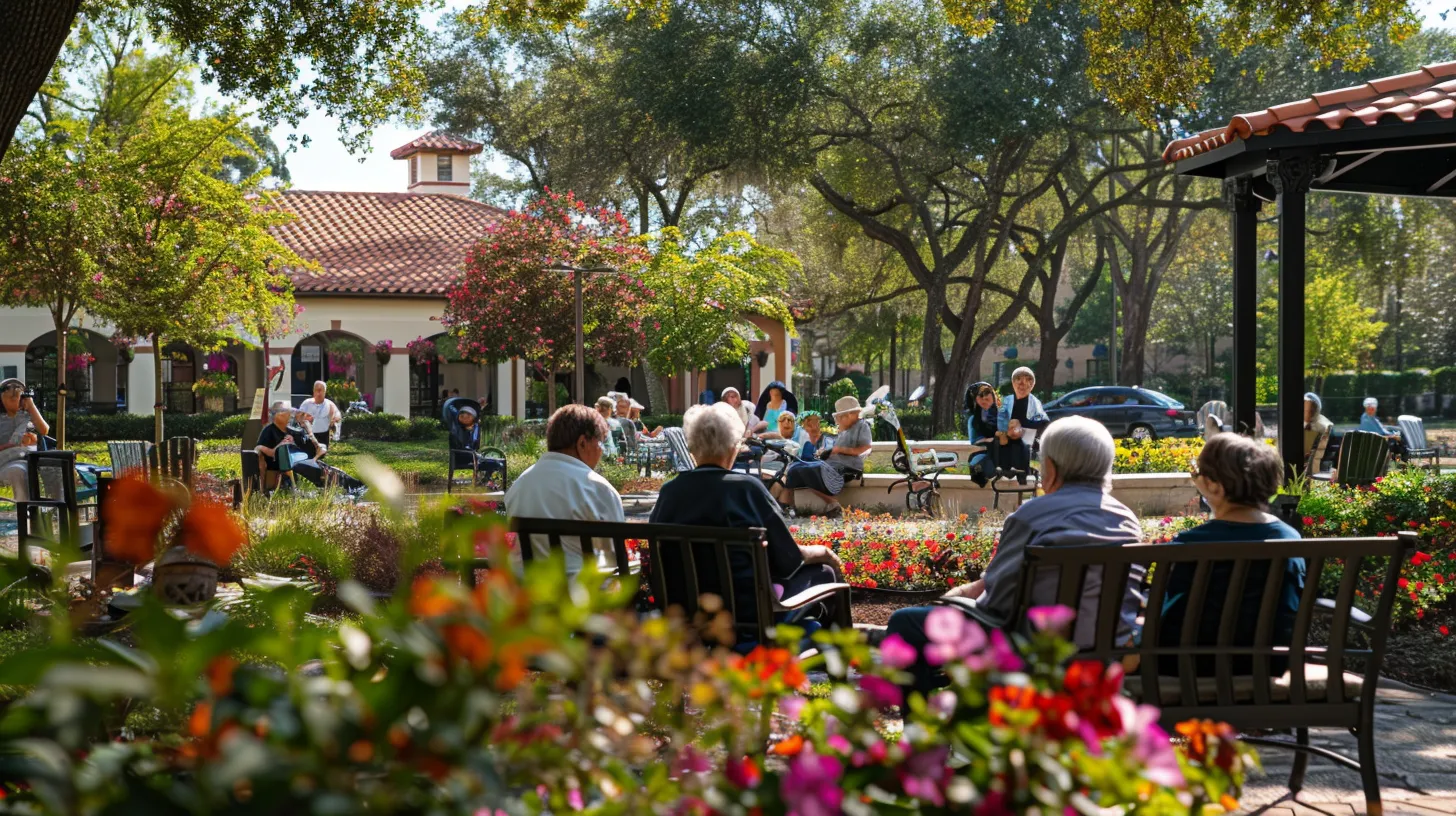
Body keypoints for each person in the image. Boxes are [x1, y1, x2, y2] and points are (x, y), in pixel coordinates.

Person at [884, 416, 1144, 693]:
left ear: (1052, 470)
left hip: (1028, 654)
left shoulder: (1033, 516)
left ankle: (922, 731)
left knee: (905, 622)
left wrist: (955, 600)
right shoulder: (1127, 522)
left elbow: (996, 602)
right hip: (1102, 655)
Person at [649, 403, 844, 640]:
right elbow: (787, 558)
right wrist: (823, 552)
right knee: (824, 572)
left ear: (692, 448)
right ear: (734, 447)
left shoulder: (670, 492)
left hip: (686, 615)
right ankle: (819, 644)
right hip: (745, 615)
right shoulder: (746, 489)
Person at [1160, 433, 1304, 674]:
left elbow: (1170, 611)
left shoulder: (1191, 543)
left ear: (1215, 486)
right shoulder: (1290, 538)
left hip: (1192, 668)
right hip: (1269, 666)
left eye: (1199, 475)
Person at [505, 404, 625, 579]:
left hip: (527, 594)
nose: (601, 451)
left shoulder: (519, 486)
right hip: (582, 597)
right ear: (582, 443)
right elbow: (615, 557)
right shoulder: (599, 489)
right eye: (601, 443)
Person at [254, 401, 365, 493]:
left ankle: (355, 486)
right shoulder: (269, 431)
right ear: (278, 415)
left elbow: (311, 448)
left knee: (324, 468)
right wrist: (278, 447)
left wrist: (308, 431)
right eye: (287, 411)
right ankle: (353, 488)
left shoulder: (290, 430)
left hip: (300, 461)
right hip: (288, 466)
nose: (290, 414)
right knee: (319, 471)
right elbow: (258, 449)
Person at [0, 379, 49, 502]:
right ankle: (23, 510)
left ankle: (26, 511)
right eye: (12, 397)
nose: (17, 400)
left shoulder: (26, 417)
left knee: (21, 470)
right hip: (5, 462)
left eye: (19, 397)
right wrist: (10, 446)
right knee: (17, 471)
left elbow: (44, 430)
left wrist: (31, 406)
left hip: (24, 460)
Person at [996, 367, 1050, 478]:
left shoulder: (1034, 402)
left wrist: (1024, 425)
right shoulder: (1007, 400)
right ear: (1013, 383)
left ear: (1032, 384)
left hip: (1027, 439)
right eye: (1018, 379)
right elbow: (1000, 418)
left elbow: (1044, 422)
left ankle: (1024, 474)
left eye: (1027, 380)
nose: (1022, 384)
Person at [965, 381, 999, 487]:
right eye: (980, 397)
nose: (984, 401)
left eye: (987, 398)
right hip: (988, 451)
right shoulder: (974, 419)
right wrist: (989, 440)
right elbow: (975, 441)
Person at [298, 380, 342, 453]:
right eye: (316, 390)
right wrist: (304, 419)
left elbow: (337, 416)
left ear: (325, 392)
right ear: (313, 391)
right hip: (309, 436)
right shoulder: (306, 403)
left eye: (321, 390)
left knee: (321, 455)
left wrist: (334, 419)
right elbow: (299, 417)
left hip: (323, 435)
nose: (318, 393)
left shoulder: (329, 404)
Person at [1303, 392, 1333, 471]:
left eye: (1312, 409)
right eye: (1305, 409)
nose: (1308, 412)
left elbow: (1326, 451)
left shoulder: (1324, 426)